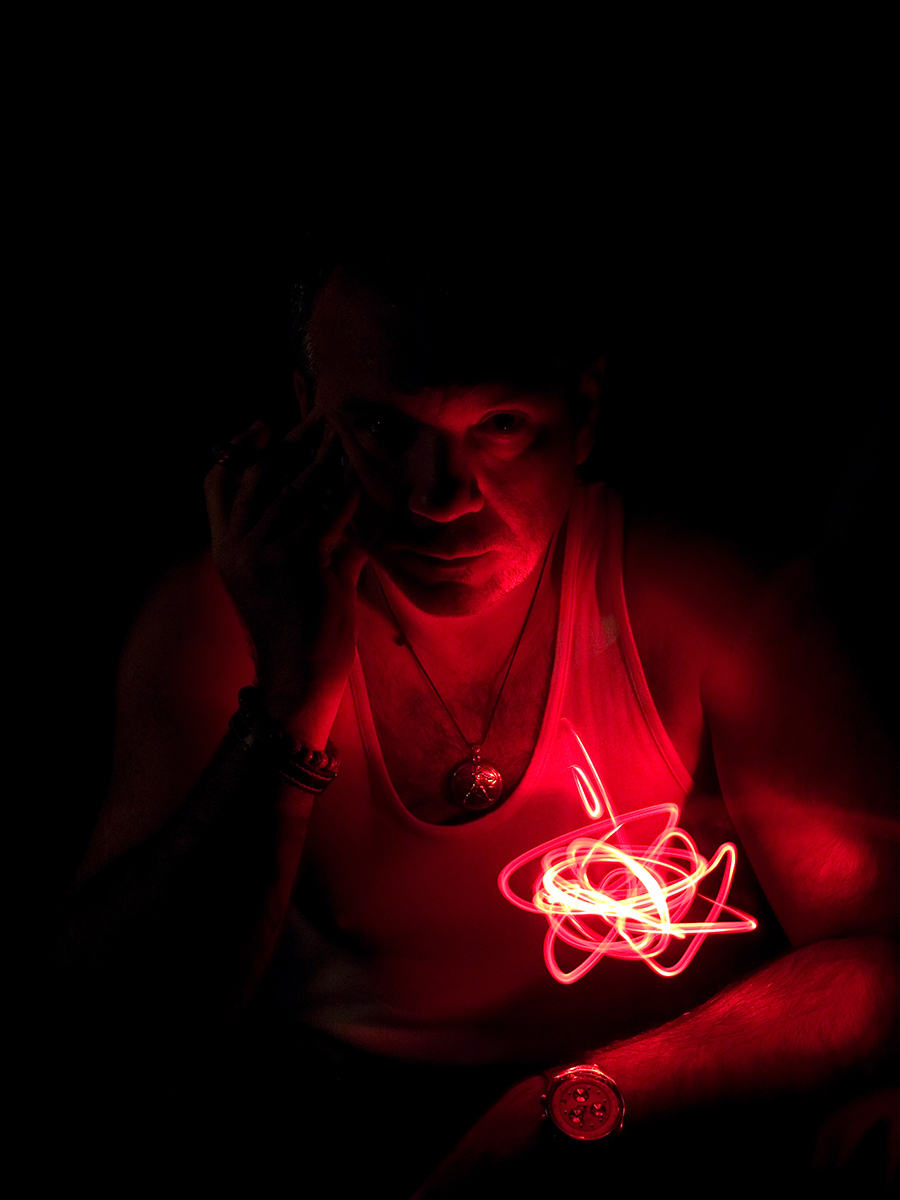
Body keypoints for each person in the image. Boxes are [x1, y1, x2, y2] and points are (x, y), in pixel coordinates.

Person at [55, 232, 899, 1196]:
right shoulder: (215, 623)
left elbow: (880, 965)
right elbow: (107, 1026)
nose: (440, 496)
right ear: (307, 411)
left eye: (500, 425)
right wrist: (290, 691)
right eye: (383, 427)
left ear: (584, 413)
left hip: (641, 1146)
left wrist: (567, 1110)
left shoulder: (708, 606)